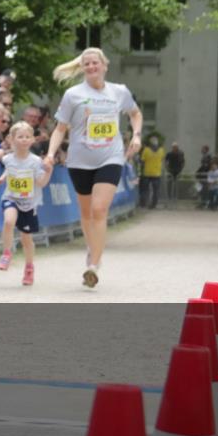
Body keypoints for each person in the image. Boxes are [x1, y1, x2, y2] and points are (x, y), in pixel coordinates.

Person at [45, 47, 142, 288]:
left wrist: (137, 136)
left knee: (99, 210)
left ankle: (94, 265)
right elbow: (60, 128)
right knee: (87, 213)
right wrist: (50, 153)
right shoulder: (73, 94)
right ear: (82, 68)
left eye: (94, 63)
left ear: (104, 65)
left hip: (110, 156)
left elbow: (135, 113)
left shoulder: (119, 92)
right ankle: (93, 248)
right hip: (79, 161)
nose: (91, 67)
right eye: (86, 63)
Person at [0, 122, 53, 285]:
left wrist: (49, 172)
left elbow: (40, 183)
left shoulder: (35, 162)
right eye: (20, 137)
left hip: (29, 203)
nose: (24, 140)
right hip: (11, 197)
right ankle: (6, 254)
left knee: (26, 238)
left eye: (27, 137)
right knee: (8, 221)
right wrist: (2, 178)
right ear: (12, 139)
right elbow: (10, 169)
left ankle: (29, 268)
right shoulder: (7, 159)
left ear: (32, 139)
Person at [139, 134, 165, 209]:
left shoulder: (146, 150)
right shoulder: (161, 150)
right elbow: (162, 159)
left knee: (145, 189)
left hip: (147, 173)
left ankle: (144, 203)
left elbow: (142, 161)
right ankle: (153, 204)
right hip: (157, 173)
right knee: (156, 190)